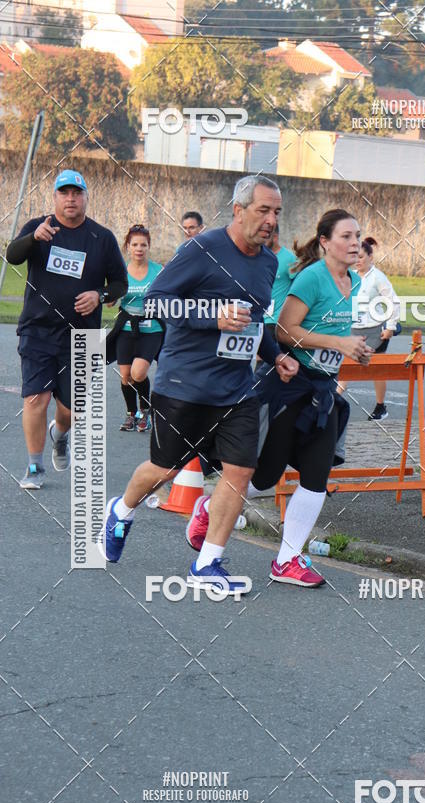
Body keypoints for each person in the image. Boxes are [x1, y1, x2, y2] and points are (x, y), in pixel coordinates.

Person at [99, 175, 298, 595]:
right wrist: (213, 316)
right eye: (264, 210)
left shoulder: (268, 263)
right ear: (239, 210)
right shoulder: (202, 248)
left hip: (237, 388)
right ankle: (121, 510)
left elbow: (257, 319)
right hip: (184, 383)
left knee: (239, 472)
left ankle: (207, 563)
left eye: (277, 212)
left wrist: (275, 355)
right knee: (166, 468)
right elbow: (155, 300)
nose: (271, 220)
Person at [187, 209, 373, 588]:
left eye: (357, 236)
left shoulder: (351, 280)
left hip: (322, 390)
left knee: (316, 477)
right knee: (267, 476)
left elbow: (330, 333)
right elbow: (285, 331)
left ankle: (287, 560)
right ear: (325, 242)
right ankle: (209, 506)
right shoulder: (312, 277)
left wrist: (350, 351)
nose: (355, 244)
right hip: (288, 386)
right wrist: (338, 342)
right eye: (347, 237)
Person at [6, 169, 127, 489]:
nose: (70, 198)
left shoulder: (102, 238)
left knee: (71, 408)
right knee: (35, 398)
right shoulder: (39, 227)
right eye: (64, 192)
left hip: (82, 334)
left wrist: (99, 295)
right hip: (38, 328)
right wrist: (33, 239)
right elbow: (12, 256)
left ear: (86, 197)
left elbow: (120, 284)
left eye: (77, 193)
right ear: (55, 197)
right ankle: (34, 467)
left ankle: (60, 433)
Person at [337, 236, 400, 421]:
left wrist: (390, 327)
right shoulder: (348, 275)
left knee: (376, 369)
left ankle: (380, 407)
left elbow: (393, 302)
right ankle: (332, 399)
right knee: (346, 365)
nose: (357, 260)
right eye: (355, 256)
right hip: (354, 328)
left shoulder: (378, 278)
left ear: (370, 257)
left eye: (361, 257)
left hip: (376, 330)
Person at [115, 225, 163, 433]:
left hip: (151, 329)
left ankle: (145, 411)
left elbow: (169, 295)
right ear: (127, 247)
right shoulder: (120, 271)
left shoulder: (159, 271)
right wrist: (109, 297)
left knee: (139, 372)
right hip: (126, 328)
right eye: (134, 244)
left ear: (149, 247)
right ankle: (131, 414)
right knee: (126, 376)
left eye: (143, 244)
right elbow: (111, 299)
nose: (139, 248)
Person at [263, 223, 297, 340]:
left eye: (267, 236)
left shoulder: (289, 258)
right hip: (257, 318)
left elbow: (300, 287)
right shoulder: (257, 257)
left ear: (275, 237)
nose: (262, 239)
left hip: (275, 321)